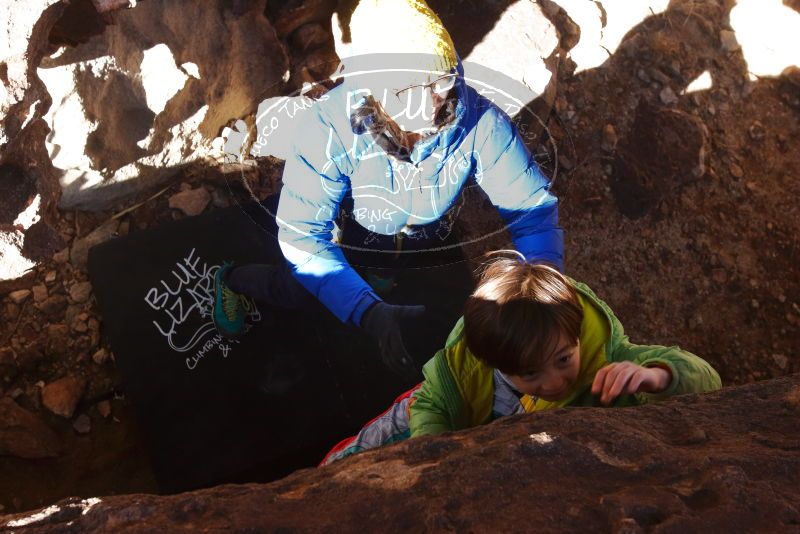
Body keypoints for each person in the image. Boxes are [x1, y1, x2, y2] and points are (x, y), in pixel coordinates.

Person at [213, 0, 564, 377]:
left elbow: (533, 212)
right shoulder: (330, 128)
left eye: (439, 82)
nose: (428, 103)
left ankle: (377, 274)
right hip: (347, 229)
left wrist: (541, 295)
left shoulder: (478, 124)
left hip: (410, 234)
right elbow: (304, 237)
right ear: (371, 88)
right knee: (296, 288)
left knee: (384, 267)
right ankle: (232, 279)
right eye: (404, 89)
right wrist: (368, 311)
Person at [320, 253, 722, 465]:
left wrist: (656, 377)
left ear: (576, 331)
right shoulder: (460, 371)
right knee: (353, 456)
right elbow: (431, 407)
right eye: (530, 373)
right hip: (437, 412)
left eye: (563, 359)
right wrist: (434, 453)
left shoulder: (607, 361)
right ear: (494, 362)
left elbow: (708, 381)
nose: (554, 383)